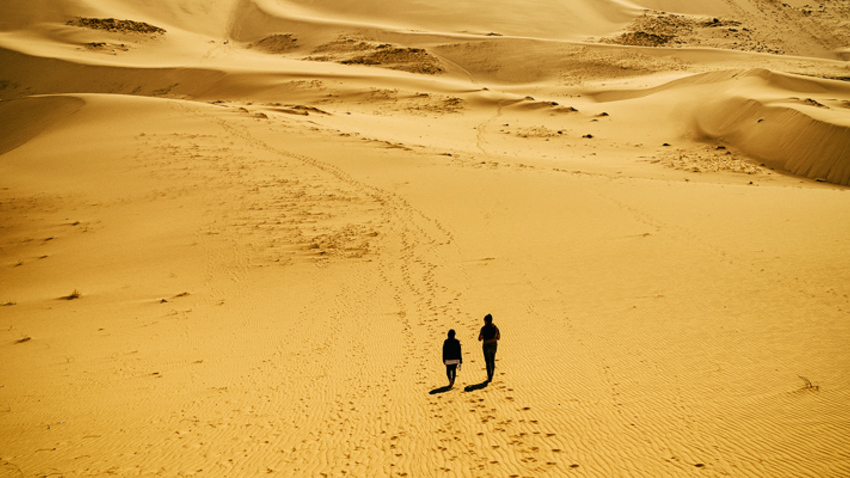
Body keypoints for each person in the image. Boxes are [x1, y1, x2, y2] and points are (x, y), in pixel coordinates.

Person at [478, 314, 500, 382]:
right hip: (494, 345)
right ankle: (492, 374)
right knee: (492, 360)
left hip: (486, 346)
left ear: (486, 321)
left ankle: (489, 376)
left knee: (488, 361)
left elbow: (480, 338)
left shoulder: (483, 328)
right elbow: (498, 337)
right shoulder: (495, 327)